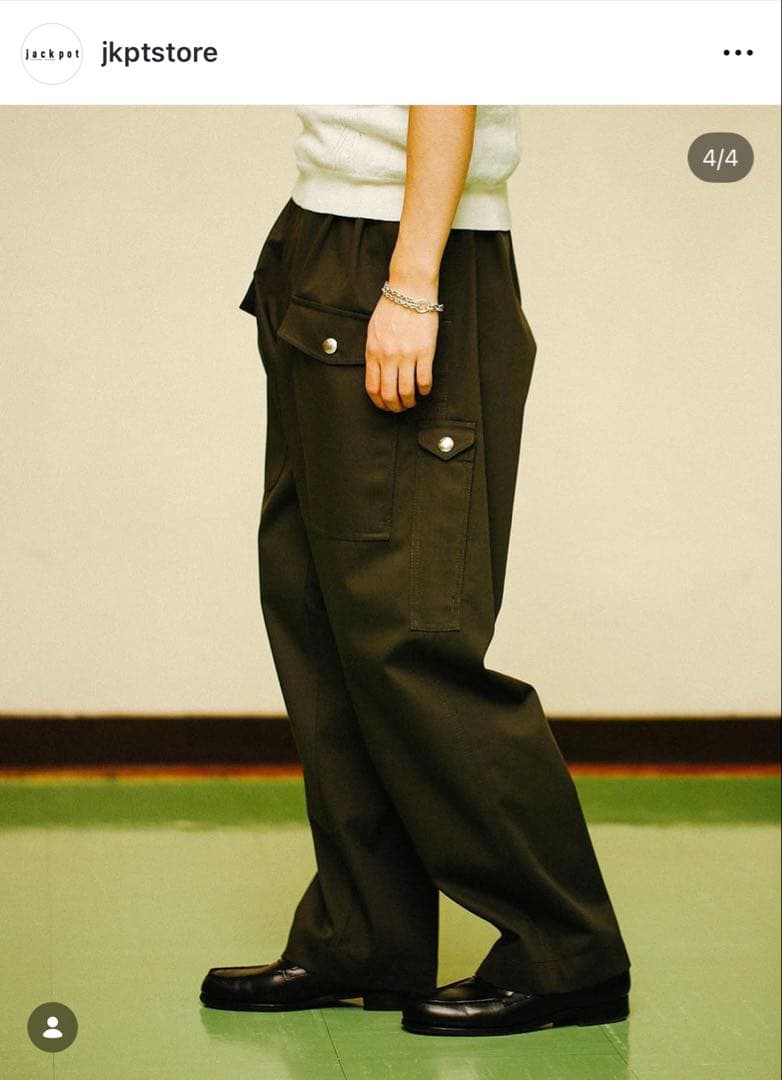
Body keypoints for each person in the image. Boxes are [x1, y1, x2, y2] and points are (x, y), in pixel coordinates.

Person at [200, 105, 632, 1037]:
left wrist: (412, 282)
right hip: (324, 234)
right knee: (317, 610)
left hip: (399, 245)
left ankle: (568, 951)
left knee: (410, 631)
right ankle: (363, 933)